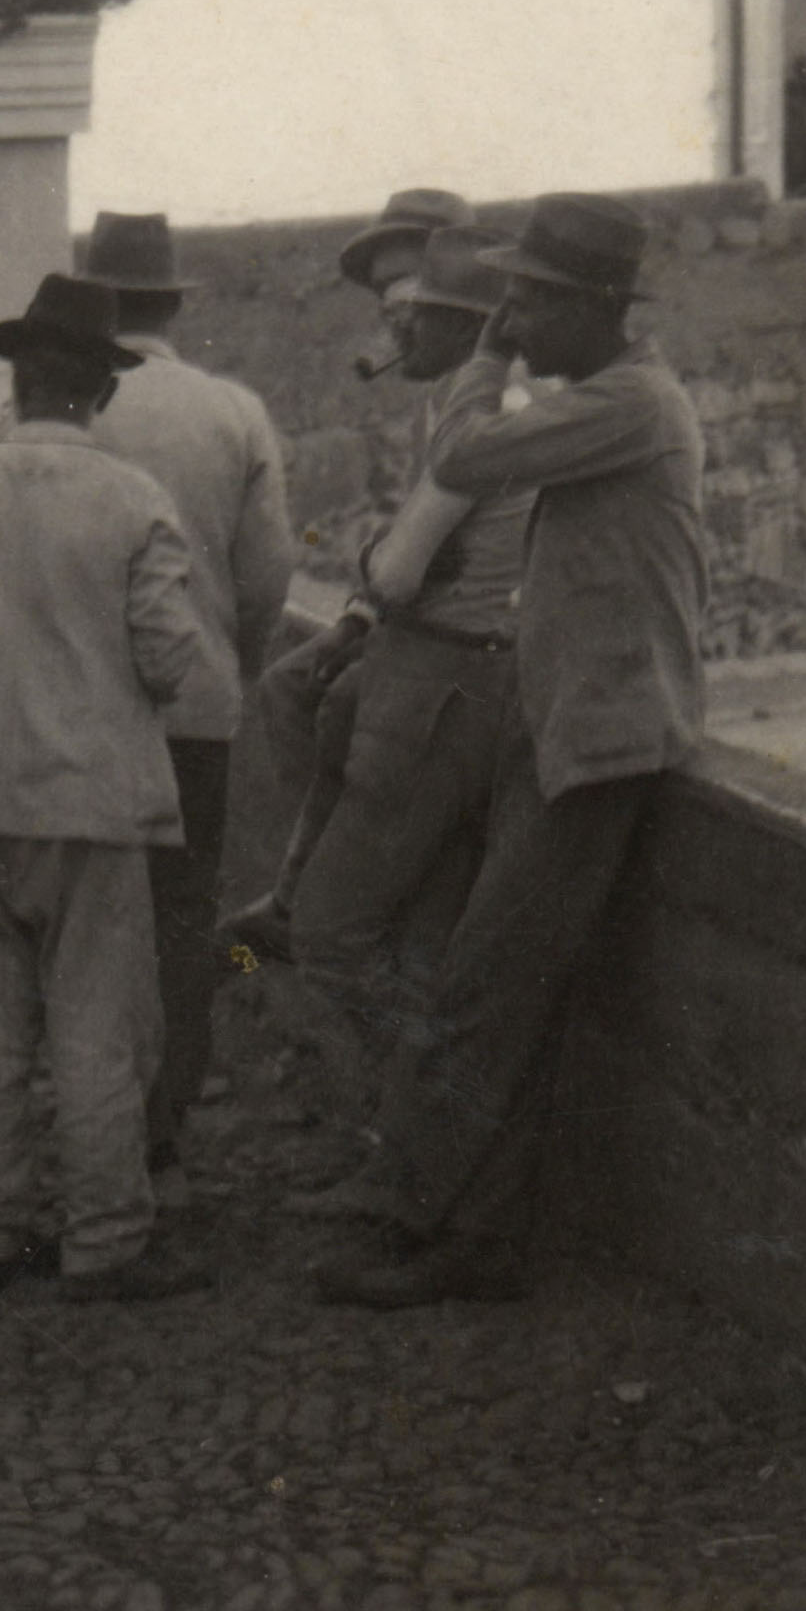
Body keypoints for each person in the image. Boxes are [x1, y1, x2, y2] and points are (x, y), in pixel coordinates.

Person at [311, 192, 705, 1310]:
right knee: (498, 992)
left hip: (598, 743)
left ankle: (443, 1235)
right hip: (567, 729)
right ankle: (449, 1219)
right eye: (509, 301)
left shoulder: (629, 403)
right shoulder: (609, 400)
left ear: (592, 308)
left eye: (530, 300)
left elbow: (469, 455)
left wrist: (478, 358)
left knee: (480, 989)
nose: (514, 319)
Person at [0, 271, 239, 1306]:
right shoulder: (136, 502)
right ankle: (104, 1240)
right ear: (100, 391)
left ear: (18, 380)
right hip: (93, 806)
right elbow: (171, 661)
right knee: (96, 1027)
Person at [254, 222, 539, 1150]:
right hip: (465, 683)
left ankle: (431, 1131)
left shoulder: (475, 417)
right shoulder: (485, 405)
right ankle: (420, 1144)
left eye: (413, 318)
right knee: (414, 942)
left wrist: (373, 563)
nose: (396, 338)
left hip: (440, 689)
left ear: (462, 327)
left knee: (336, 941)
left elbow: (401, 569)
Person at [65, 211, 293, 1188]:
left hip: (78, 712)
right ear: (169, 305)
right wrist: (226, 668)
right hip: (194, 709)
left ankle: (90, 1117)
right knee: (185, 910)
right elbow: (268, 577)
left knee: (83, 916)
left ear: (95, 305)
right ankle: (169, 1109)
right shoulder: (232, 411)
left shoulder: (52, 409)